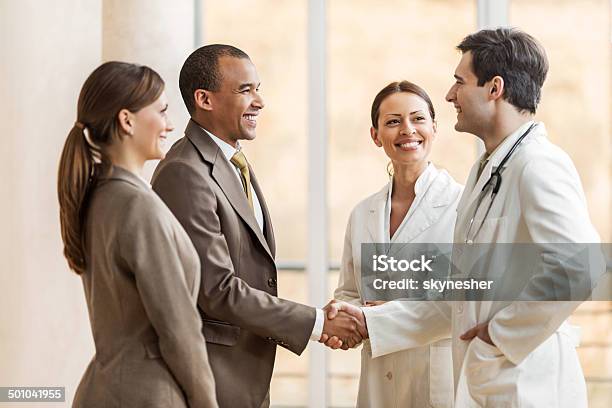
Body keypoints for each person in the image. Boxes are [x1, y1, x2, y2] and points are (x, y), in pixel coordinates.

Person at [328, 28, 600, 407]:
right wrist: (370, 322)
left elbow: (579, 265)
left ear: (494, 88)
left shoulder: (540, 164)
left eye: (459, 82)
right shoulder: (484, 173)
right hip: (486, 383)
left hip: (526, 384)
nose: (450, 94)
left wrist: (500, 336)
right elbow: (458, 296)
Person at [151, 44, 365, 408]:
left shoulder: (232, 162)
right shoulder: (184, 172)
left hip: (244, 378)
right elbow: (217, 289)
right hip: (211, 380)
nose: (259, 101)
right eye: (245, 90)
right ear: (204, 98)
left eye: (258, 88)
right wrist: (317, 323)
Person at [57, 62, 218, 407]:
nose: (170, 124)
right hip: (148, 394)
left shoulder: (97, 197)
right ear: (127, 120)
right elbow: (179, 331)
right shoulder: (137, 206)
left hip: (101, 390)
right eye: (161, 110)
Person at [326, 81, 461, 407]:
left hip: (436, 379)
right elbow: (349, 291)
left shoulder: (461, 204)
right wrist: (343, 317)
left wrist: (374, 319)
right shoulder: (363, 213)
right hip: (378, 380)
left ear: (434, 128)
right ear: (376, 135)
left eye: (418, 119)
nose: (407, 130)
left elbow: (462, 301)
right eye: (393, 121)